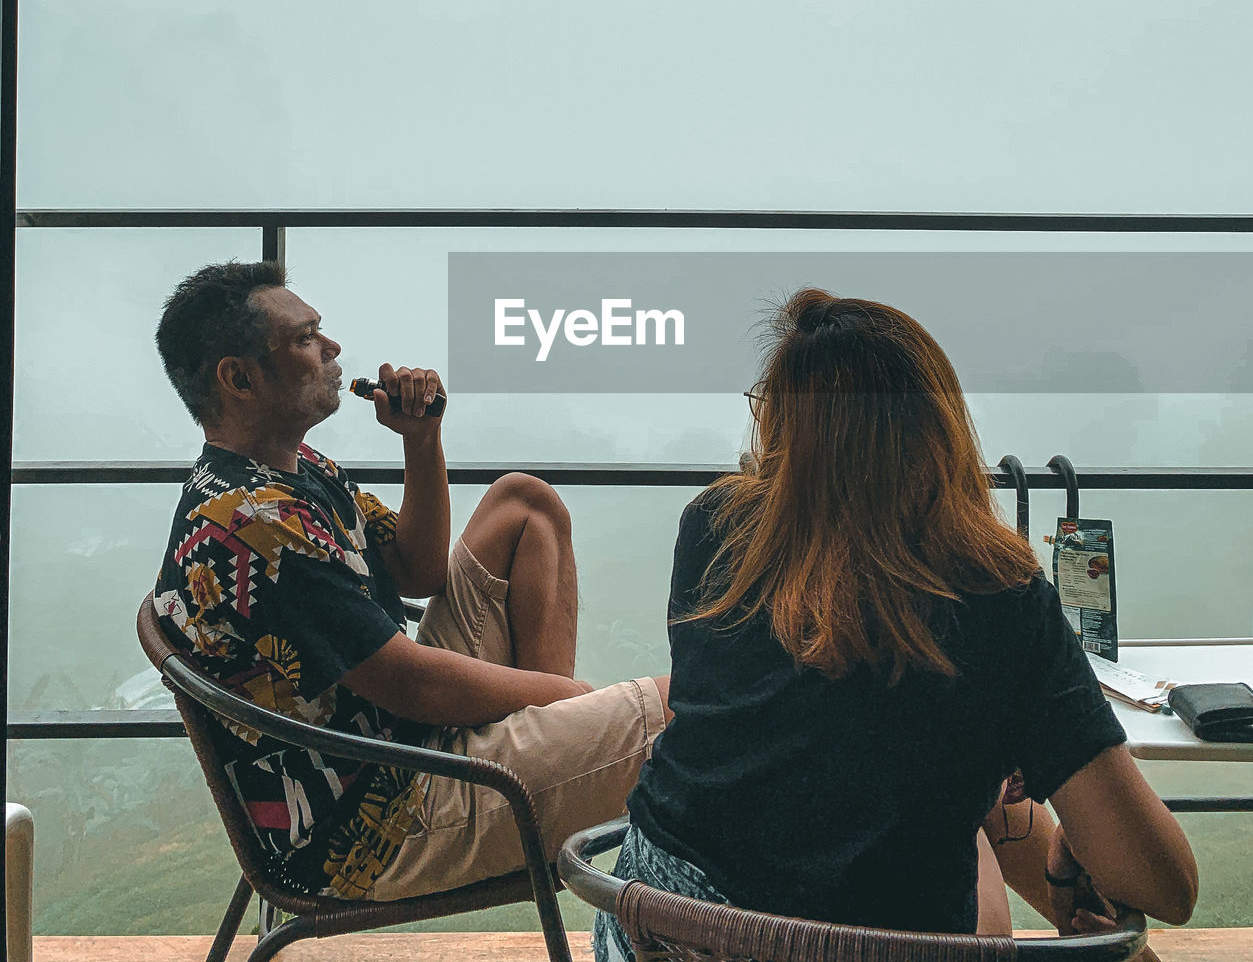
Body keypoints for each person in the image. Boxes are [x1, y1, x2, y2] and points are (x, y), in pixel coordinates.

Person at [595, 289, 1196, 959]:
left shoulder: (714, 531)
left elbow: (802, 732)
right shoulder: (998, 595)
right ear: (937, 430)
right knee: (1007, 843)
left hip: (657, 930)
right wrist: (1070, 842)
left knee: (951, 798)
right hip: (874, 943)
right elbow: (1168, 888)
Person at [151, 260, 669, 901]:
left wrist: (421, 441)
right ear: (239, 378)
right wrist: (568, 695)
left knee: (524, 506)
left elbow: (417, 571)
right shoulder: (257, 524)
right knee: (680, 714)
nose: (333, 348)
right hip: (378, 821)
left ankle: (551, 752)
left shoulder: (291, 470)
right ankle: (557, 751)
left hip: (396, 738)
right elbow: (413, 685)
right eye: (306, 338)